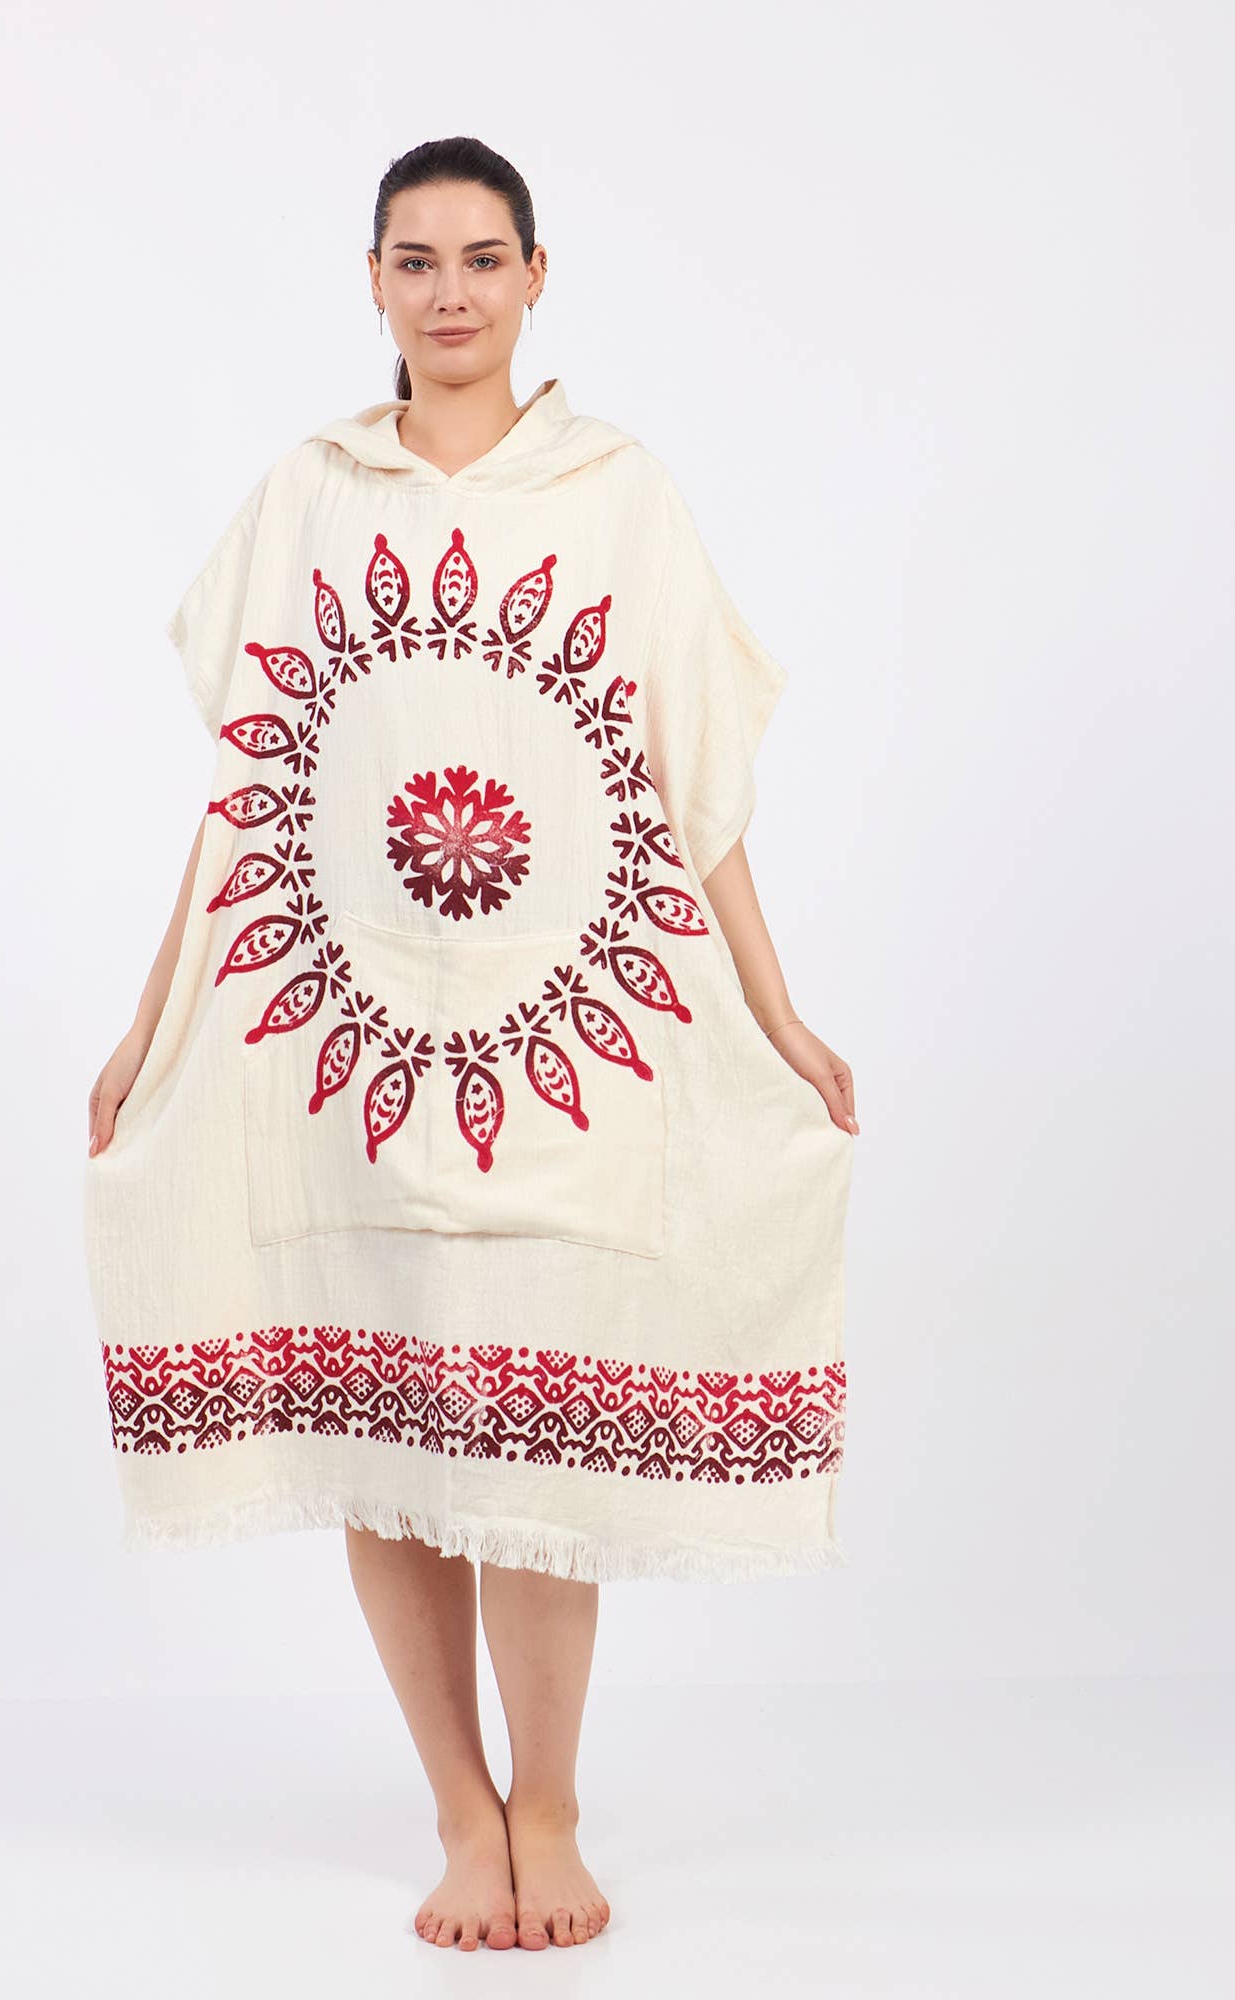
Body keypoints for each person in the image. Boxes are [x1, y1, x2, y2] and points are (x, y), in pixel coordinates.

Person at [84, 136, 859, 1953]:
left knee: (533, 1460)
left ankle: (552, 1805)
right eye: (416, 259)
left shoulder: (616, 495)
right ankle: (459, 1808)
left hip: (551, 1060)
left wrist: (777, 1010)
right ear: (372, 279)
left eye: (482, 258)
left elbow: (691, 781)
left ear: (535, 278)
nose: (450, 292)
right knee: (394, 1437)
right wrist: (145, 1022)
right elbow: (255, 783)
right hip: (346, 1050)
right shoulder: (308, 494)